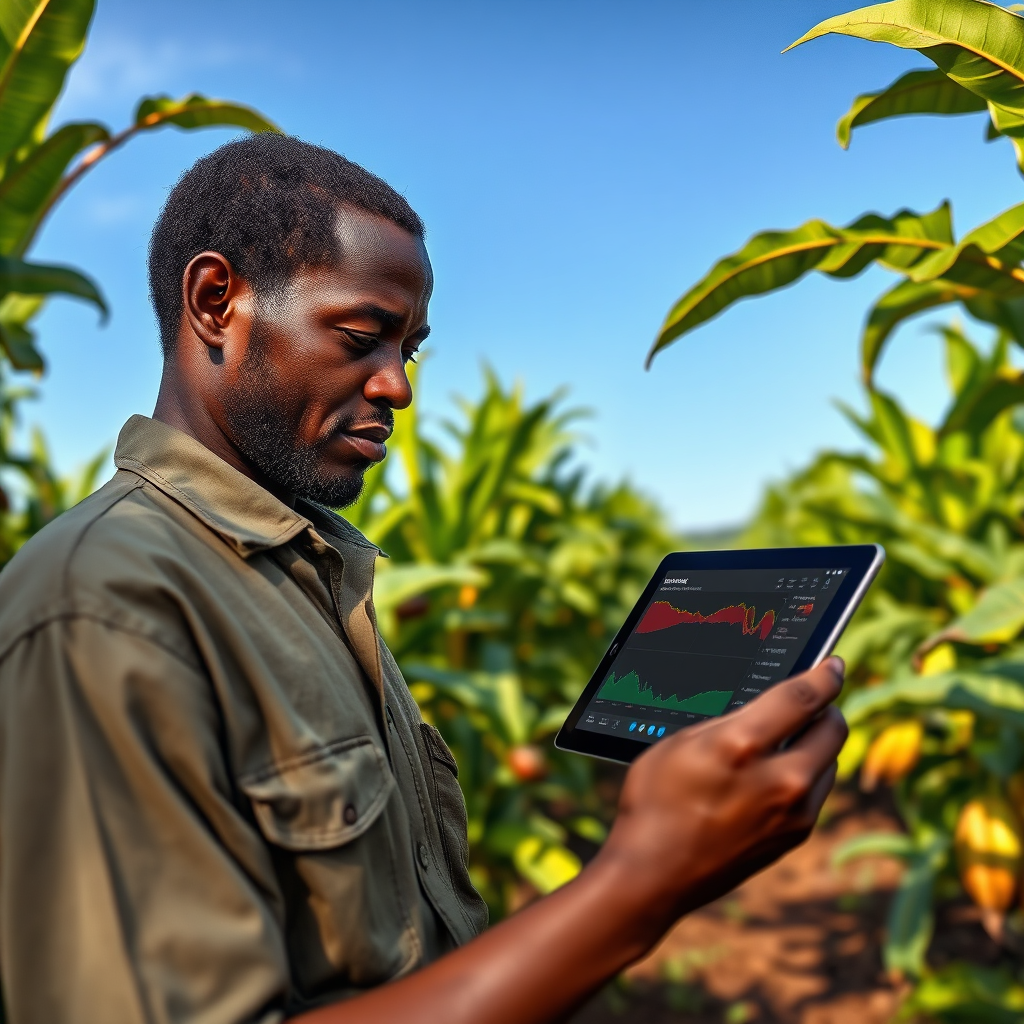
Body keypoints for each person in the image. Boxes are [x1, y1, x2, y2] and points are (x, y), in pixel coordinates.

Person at [0, 134, 847, 1024]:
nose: (399, 387)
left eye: (409, 349)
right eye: (363, 338)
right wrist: (640, 884)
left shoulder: (305, 570)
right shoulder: (103, 607)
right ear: (217, 302)